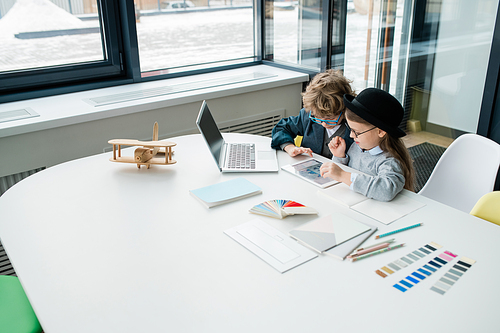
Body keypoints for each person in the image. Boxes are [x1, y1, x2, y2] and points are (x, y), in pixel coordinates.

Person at [319, 88, 415, 201]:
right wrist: (340, 157)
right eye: (350, 129)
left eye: (357, 132)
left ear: (380, 131)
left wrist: (342, 175)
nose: (351, 135)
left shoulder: (389, 161)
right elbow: (348, 176)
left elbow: (386, 191)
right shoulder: (357, 147)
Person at [271, 69, 355, 158]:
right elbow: (281, 128)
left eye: (330, 118)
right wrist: (290, 147)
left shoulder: (354, 128)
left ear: (344, 110)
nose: (324, 123)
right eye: (318, 117)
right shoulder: (308, 116)